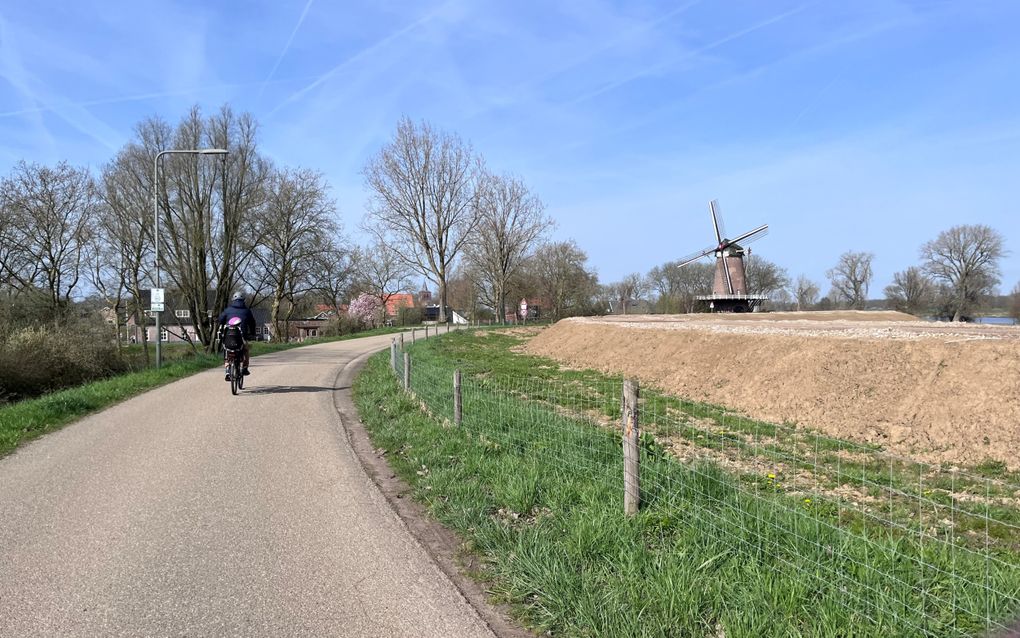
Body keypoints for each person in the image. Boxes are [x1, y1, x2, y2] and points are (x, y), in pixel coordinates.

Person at [217, 292, 257, 381]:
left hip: (228, 336)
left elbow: (220, 320)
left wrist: (222, 324)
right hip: (242, 336)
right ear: (243, 300)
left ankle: (227, 370)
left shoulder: (227, 310)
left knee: (227, 350)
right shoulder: (247, 311)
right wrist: (252, 333)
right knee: (245, 350)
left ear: (233, 300)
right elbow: (252, 323)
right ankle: (245, 368)